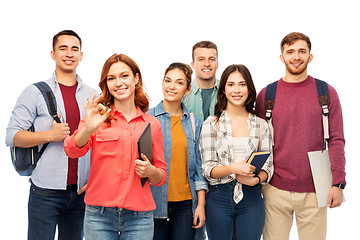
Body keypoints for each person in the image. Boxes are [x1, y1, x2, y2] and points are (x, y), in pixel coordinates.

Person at [63, 53, 167, 240]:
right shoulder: (96, 118)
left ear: (136, 79)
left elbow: (160, 176)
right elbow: (71, 150)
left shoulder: (152, 124)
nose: (118, 83)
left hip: (140, 217)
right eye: (111, 78)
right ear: (106, 84)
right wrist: (88, 129)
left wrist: (150, 171)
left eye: (124, 76)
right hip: (98, 216)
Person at [5, 30, 97, 239]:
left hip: (81, 193)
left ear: (81, 56)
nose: (69, 53)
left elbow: (98, 141)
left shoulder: (92, 95)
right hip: (45, 192)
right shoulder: (34, 92)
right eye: (62, 48)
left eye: (74, 49)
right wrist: (49, 135)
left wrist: (93, 179)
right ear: (52, 54)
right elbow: (11, 136)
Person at [255, 32, 346, 240]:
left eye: (302, 51)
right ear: (282, 57)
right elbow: (259, 143)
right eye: (290, 51)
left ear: (310, 56)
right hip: (274, 188)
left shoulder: (326, 92)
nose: (296, 57)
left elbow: (336, 140)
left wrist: (338, 183)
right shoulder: (267, 95)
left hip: (316, 188)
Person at [199, 64, 273, 240]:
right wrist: (235, 169)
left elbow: (268, 167)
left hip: (252, 197)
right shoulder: (211, 124)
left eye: (242, 84)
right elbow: (208, 169)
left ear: (249, 89)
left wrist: (255, 179)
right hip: (218, 198)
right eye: (231, 85)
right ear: (223, 89)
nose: (237, 90)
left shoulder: (261, 124)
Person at [147, 62, 208, 240]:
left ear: (188, 89)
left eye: (179, 83)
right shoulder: (147, 118)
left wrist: (201, 205)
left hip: (185, 205)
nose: (172, 87)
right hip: (154, 204)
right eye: (168, 81)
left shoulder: (194, 123)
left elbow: (199, 169)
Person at [182, 40, 219, 122]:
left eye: (212, 59)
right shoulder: (183, 92)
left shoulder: (227, 90)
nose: (207, 64)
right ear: (193, 64)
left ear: (217, 64)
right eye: (201, 59)